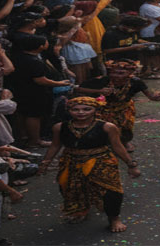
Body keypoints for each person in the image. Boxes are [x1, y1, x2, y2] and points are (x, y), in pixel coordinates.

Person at [39, 96, 139, 233]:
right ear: (69, 110)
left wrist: (131, 164)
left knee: (111, 192)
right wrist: (45, 163)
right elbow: (55, 145)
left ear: (95, 110)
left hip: (102, 162)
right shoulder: (60, 127)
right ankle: (81, 210)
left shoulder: (107, 127)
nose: (81, 112)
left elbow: (118, 146)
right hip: (71, 162)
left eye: (87, 109)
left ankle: (114, 218)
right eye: (76, 109)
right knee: (70, 188)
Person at [76, 60, 160, 152]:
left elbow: (150, 96)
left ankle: (124, 143)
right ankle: (106, 144)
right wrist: (98, 91)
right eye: (113, 73)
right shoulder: (103, 80)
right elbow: (79, 89)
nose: (116, 76)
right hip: (105, 108)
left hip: (125, 108)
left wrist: (158, 97)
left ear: (130, 73)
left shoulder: (136, 82)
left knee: (126, 128)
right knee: (105, 128)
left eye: (121, 73)